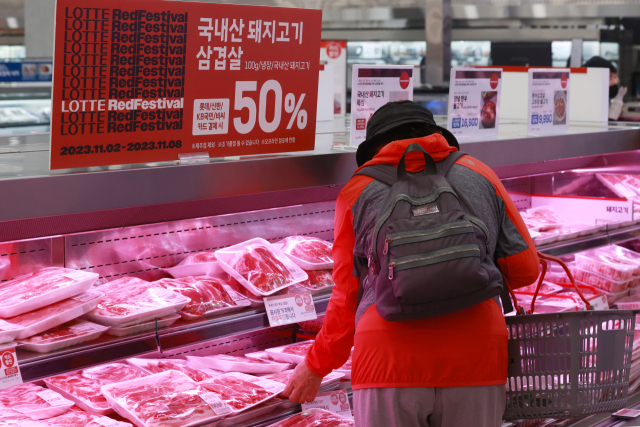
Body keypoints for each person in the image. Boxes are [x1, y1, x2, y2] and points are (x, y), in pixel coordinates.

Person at [283, 101, 539, 427]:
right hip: (476, 357)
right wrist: (467, 271)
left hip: (388, 363)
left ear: (376, 147)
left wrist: (316, 366)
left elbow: (347, 299)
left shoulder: (357, 191)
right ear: (436, 134)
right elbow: (526, 268)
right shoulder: (479, 172)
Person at [583, 56, 628, 121]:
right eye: (610, 78)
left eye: (615, 77)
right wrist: (611, 119)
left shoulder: (603, 98)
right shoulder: (588, 101)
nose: (615, 81)